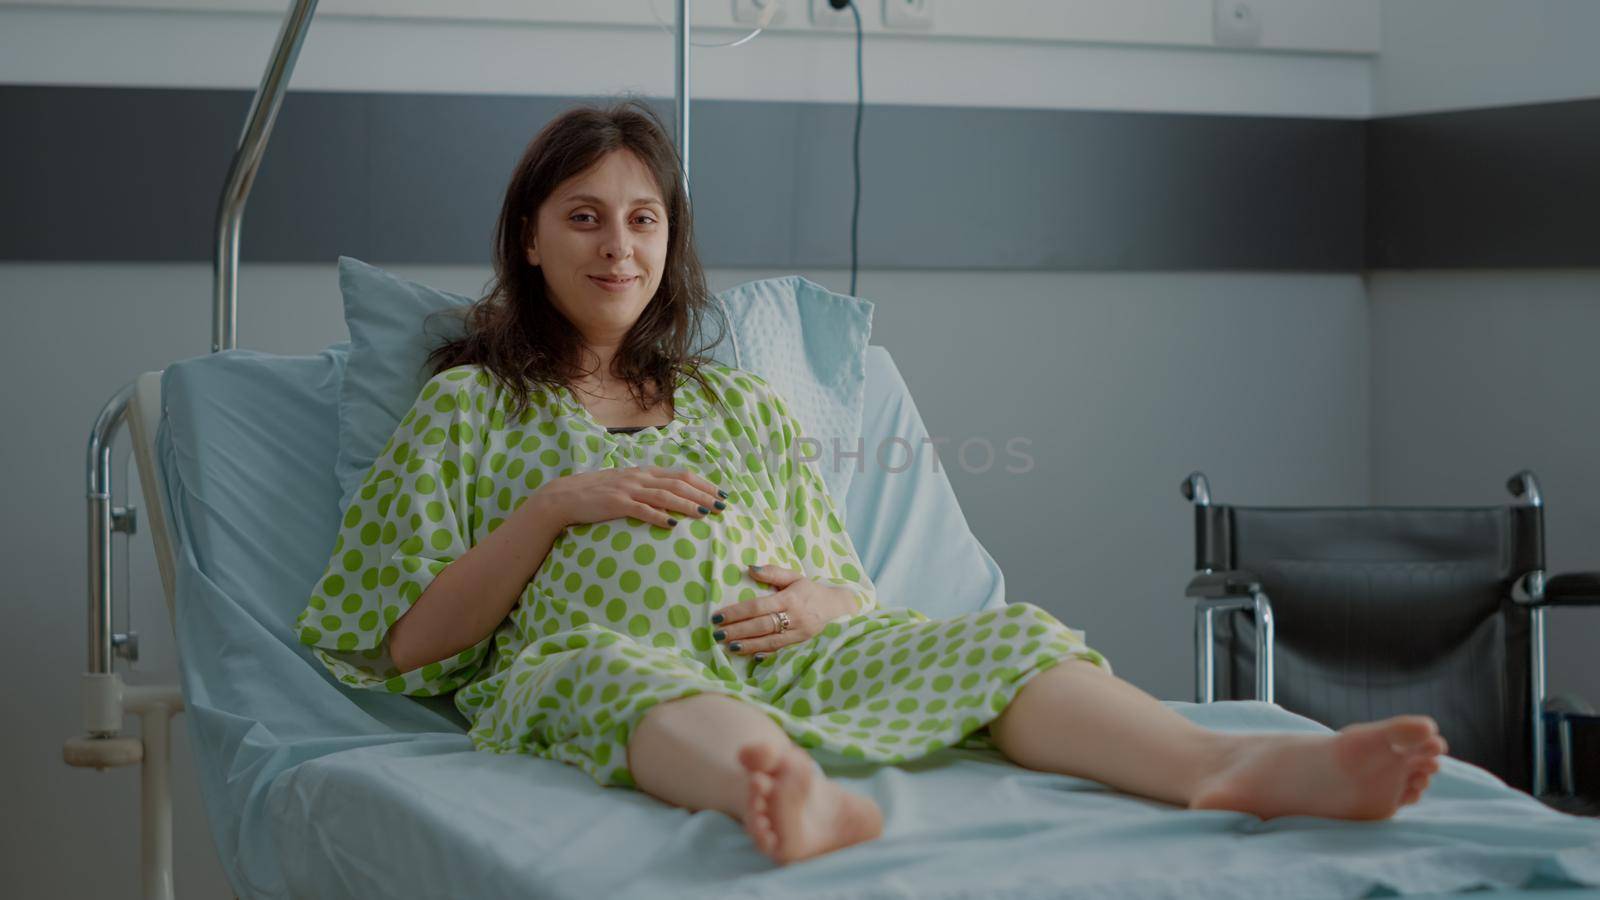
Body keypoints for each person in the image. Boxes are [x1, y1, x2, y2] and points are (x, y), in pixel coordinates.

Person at [294, 98, 1448, 866]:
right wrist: (555, 508)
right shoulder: (470, 407)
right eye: (583, 218)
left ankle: (1228, 765)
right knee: (624, 674)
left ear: (669, 242)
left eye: (642, 220)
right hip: (595, 657)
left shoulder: (739, 403)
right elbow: (405, 643)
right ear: (530, 241)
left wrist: (816, 609)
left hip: (799, 655)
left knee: (1001, 638)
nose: (617, 247)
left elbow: (853, 589)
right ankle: (785, 792)